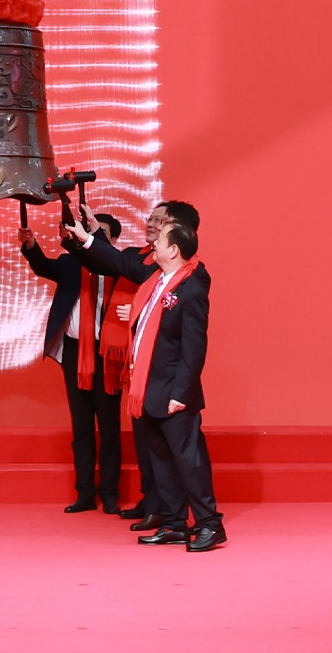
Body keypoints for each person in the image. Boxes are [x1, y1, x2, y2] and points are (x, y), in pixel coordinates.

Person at [67, 214, 223, 552]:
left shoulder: (191, 288)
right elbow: (119, 262)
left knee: (188, 460)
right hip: (148, 385)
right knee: (161, 461)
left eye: (161, 239)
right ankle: (174, 524)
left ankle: (210, 524)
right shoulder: (156, 280)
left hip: (173, 392)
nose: (153, 243)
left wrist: (181, 392)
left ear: (174, 249)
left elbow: (194, 349)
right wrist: (88, 237)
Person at [21, 212, 125, 514]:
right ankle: (84, 494)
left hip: (108, 354)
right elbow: (43, 266)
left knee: (109, 428)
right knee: (81, 426)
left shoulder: (122, 268)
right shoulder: (71, 263)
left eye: (98, 233)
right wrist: (31, 246)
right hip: (75, 352)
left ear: (112, 240)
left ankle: (110, 494)